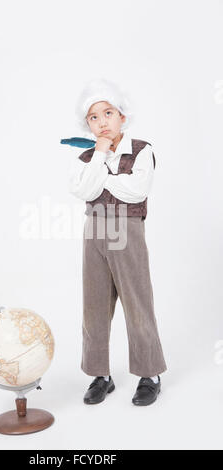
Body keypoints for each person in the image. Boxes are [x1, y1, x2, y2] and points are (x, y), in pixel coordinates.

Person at [68, 78, 167, 406]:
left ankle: (149, 373)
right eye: (93, 117)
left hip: (127, 230)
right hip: (94, 232)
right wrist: (100, 158)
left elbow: (136, 191)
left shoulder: (141, 150)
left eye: (108, 113)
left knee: (137, 301)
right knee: (94, 304)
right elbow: (83, 192)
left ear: (122, 116)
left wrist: (103, 180)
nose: (102, 122)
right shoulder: (86, 156)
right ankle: (100, 374)